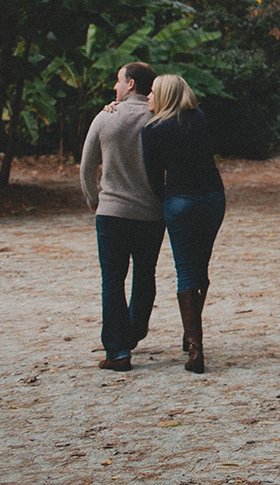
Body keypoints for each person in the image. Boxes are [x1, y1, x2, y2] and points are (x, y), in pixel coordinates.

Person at [79, 61, 163, 372]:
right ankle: (135, 330)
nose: (115, 87)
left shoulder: (105, 118)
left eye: (118, 80)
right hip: (151, 212)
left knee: (112, 279)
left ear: (130, 85)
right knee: (145, 274)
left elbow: (87, 166)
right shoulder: (159, 116)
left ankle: (117, 351)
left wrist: (93, 199)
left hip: (112, 212)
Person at [142, 74, 226, 374]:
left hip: (179, 200)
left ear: (164, 95)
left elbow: (152, 175)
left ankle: (195, 347)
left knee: (185, 270)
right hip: (213, 198)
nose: (148, 97)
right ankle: (192, 331)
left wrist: (163, 199)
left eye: (152, 93)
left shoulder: (152, 129)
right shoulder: (199, 118)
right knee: (200, 267)